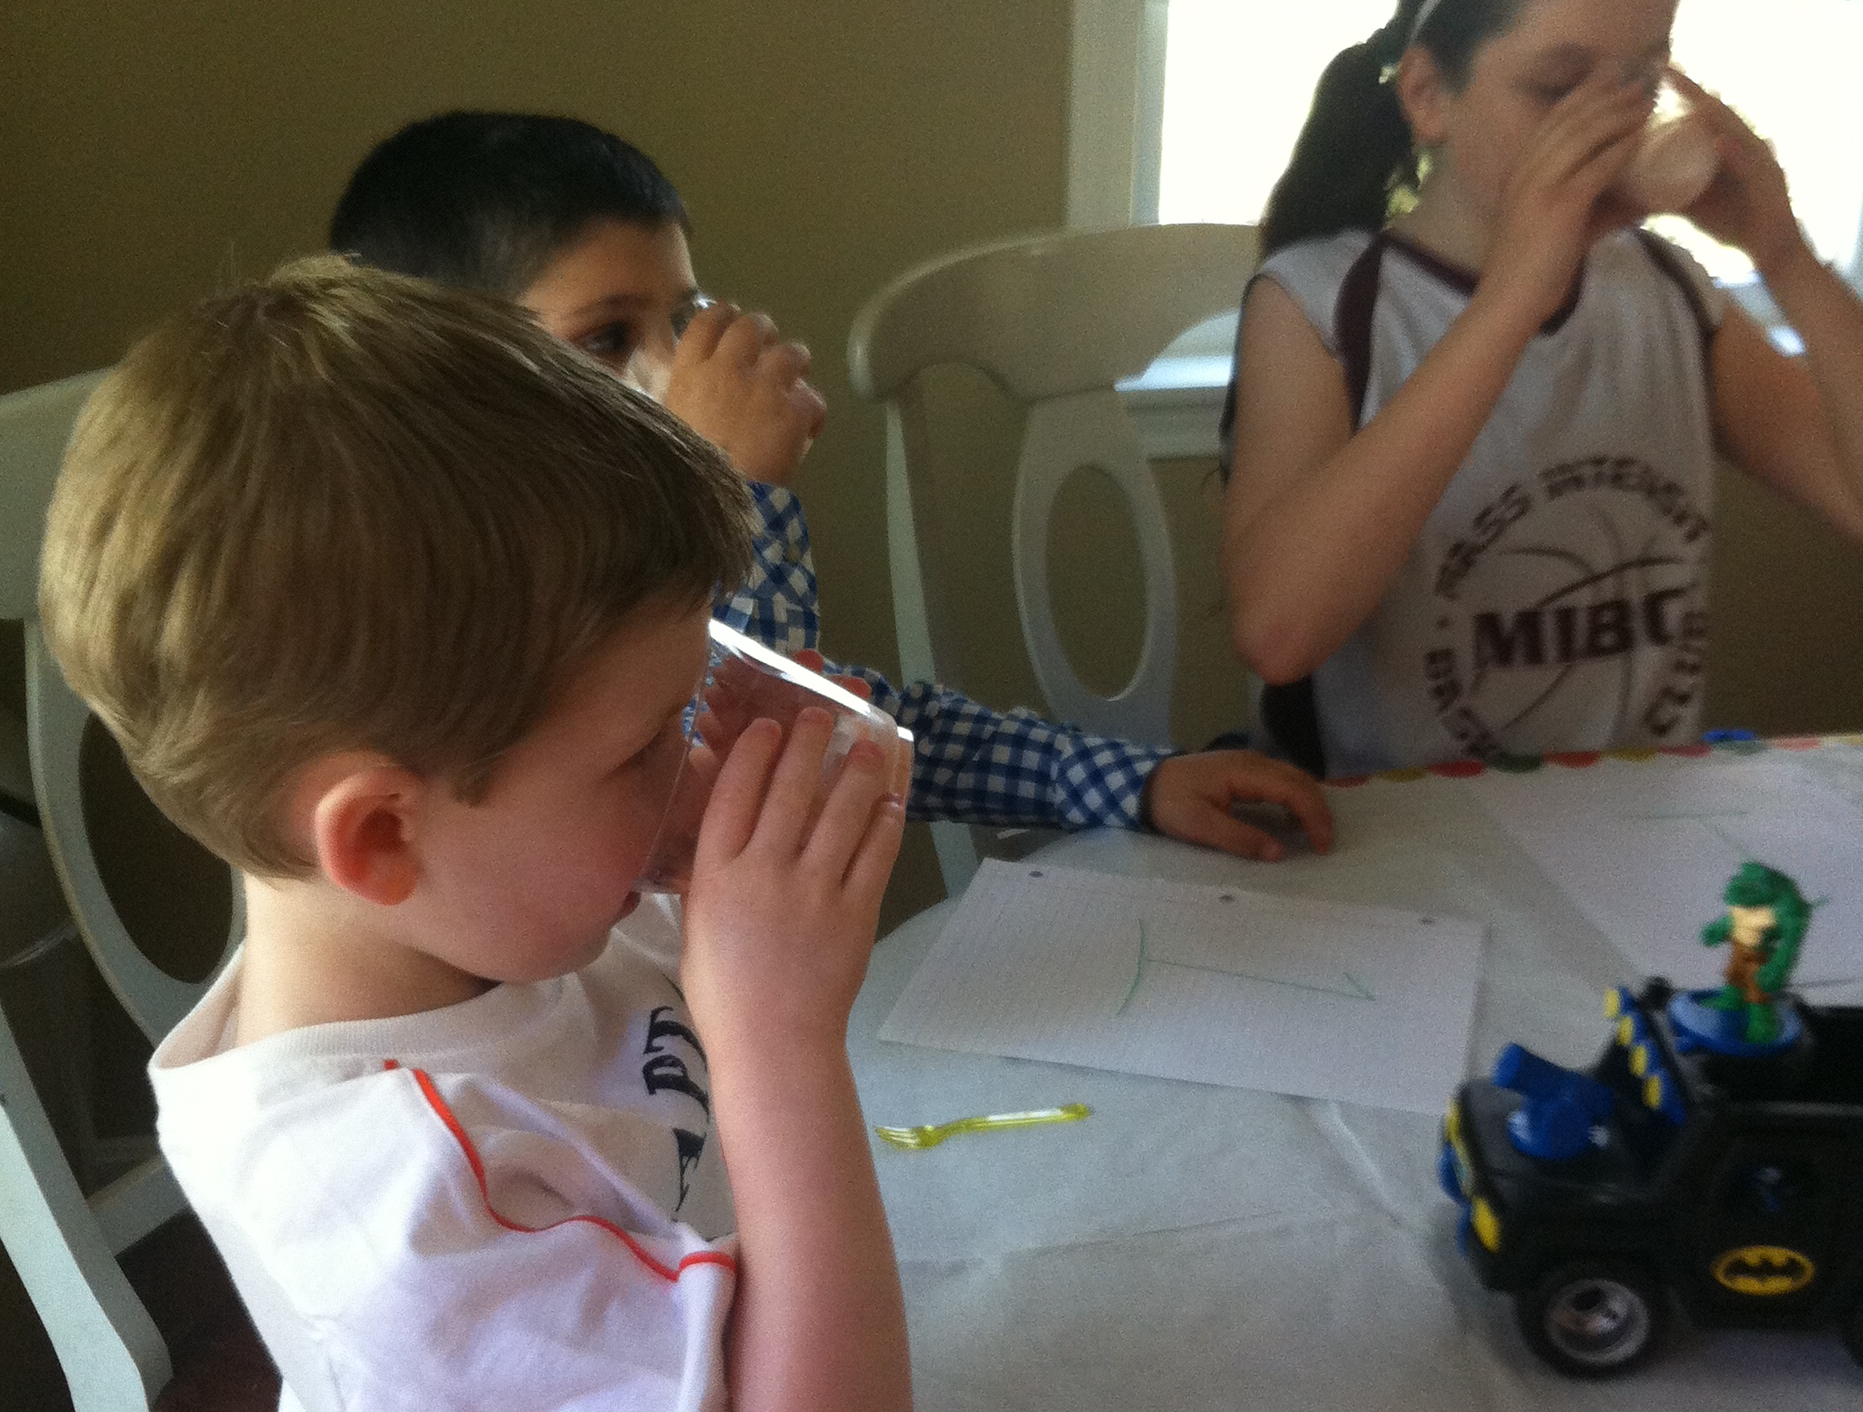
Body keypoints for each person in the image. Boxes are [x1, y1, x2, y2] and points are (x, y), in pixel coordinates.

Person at [23, 258, 919, 1412]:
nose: (689, 775)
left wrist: (686, 728)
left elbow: (798, 788)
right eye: (639, 744)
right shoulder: (394, 1196)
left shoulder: (499, 920)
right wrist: (780, 1042)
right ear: (377, 831)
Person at [330, 112, 1332, 862]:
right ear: (439, 389)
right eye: (605, 339)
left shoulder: (627, 553)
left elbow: (838, 726)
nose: (672, 372)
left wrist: (1136, 782)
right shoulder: (433, 622)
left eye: (679, 320)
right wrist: (732, 500)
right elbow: (740, 792)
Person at [1220, 0, 1863, 777]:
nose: (1609, 126)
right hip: (1397, 840)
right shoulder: (1321, 306)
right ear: (1429, 96)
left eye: (1640, 81)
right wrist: (1512, 300)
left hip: (1632, 825)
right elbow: (1280, 632)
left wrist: (1790, 261)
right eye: (1555, 86)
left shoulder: (1669, 294)